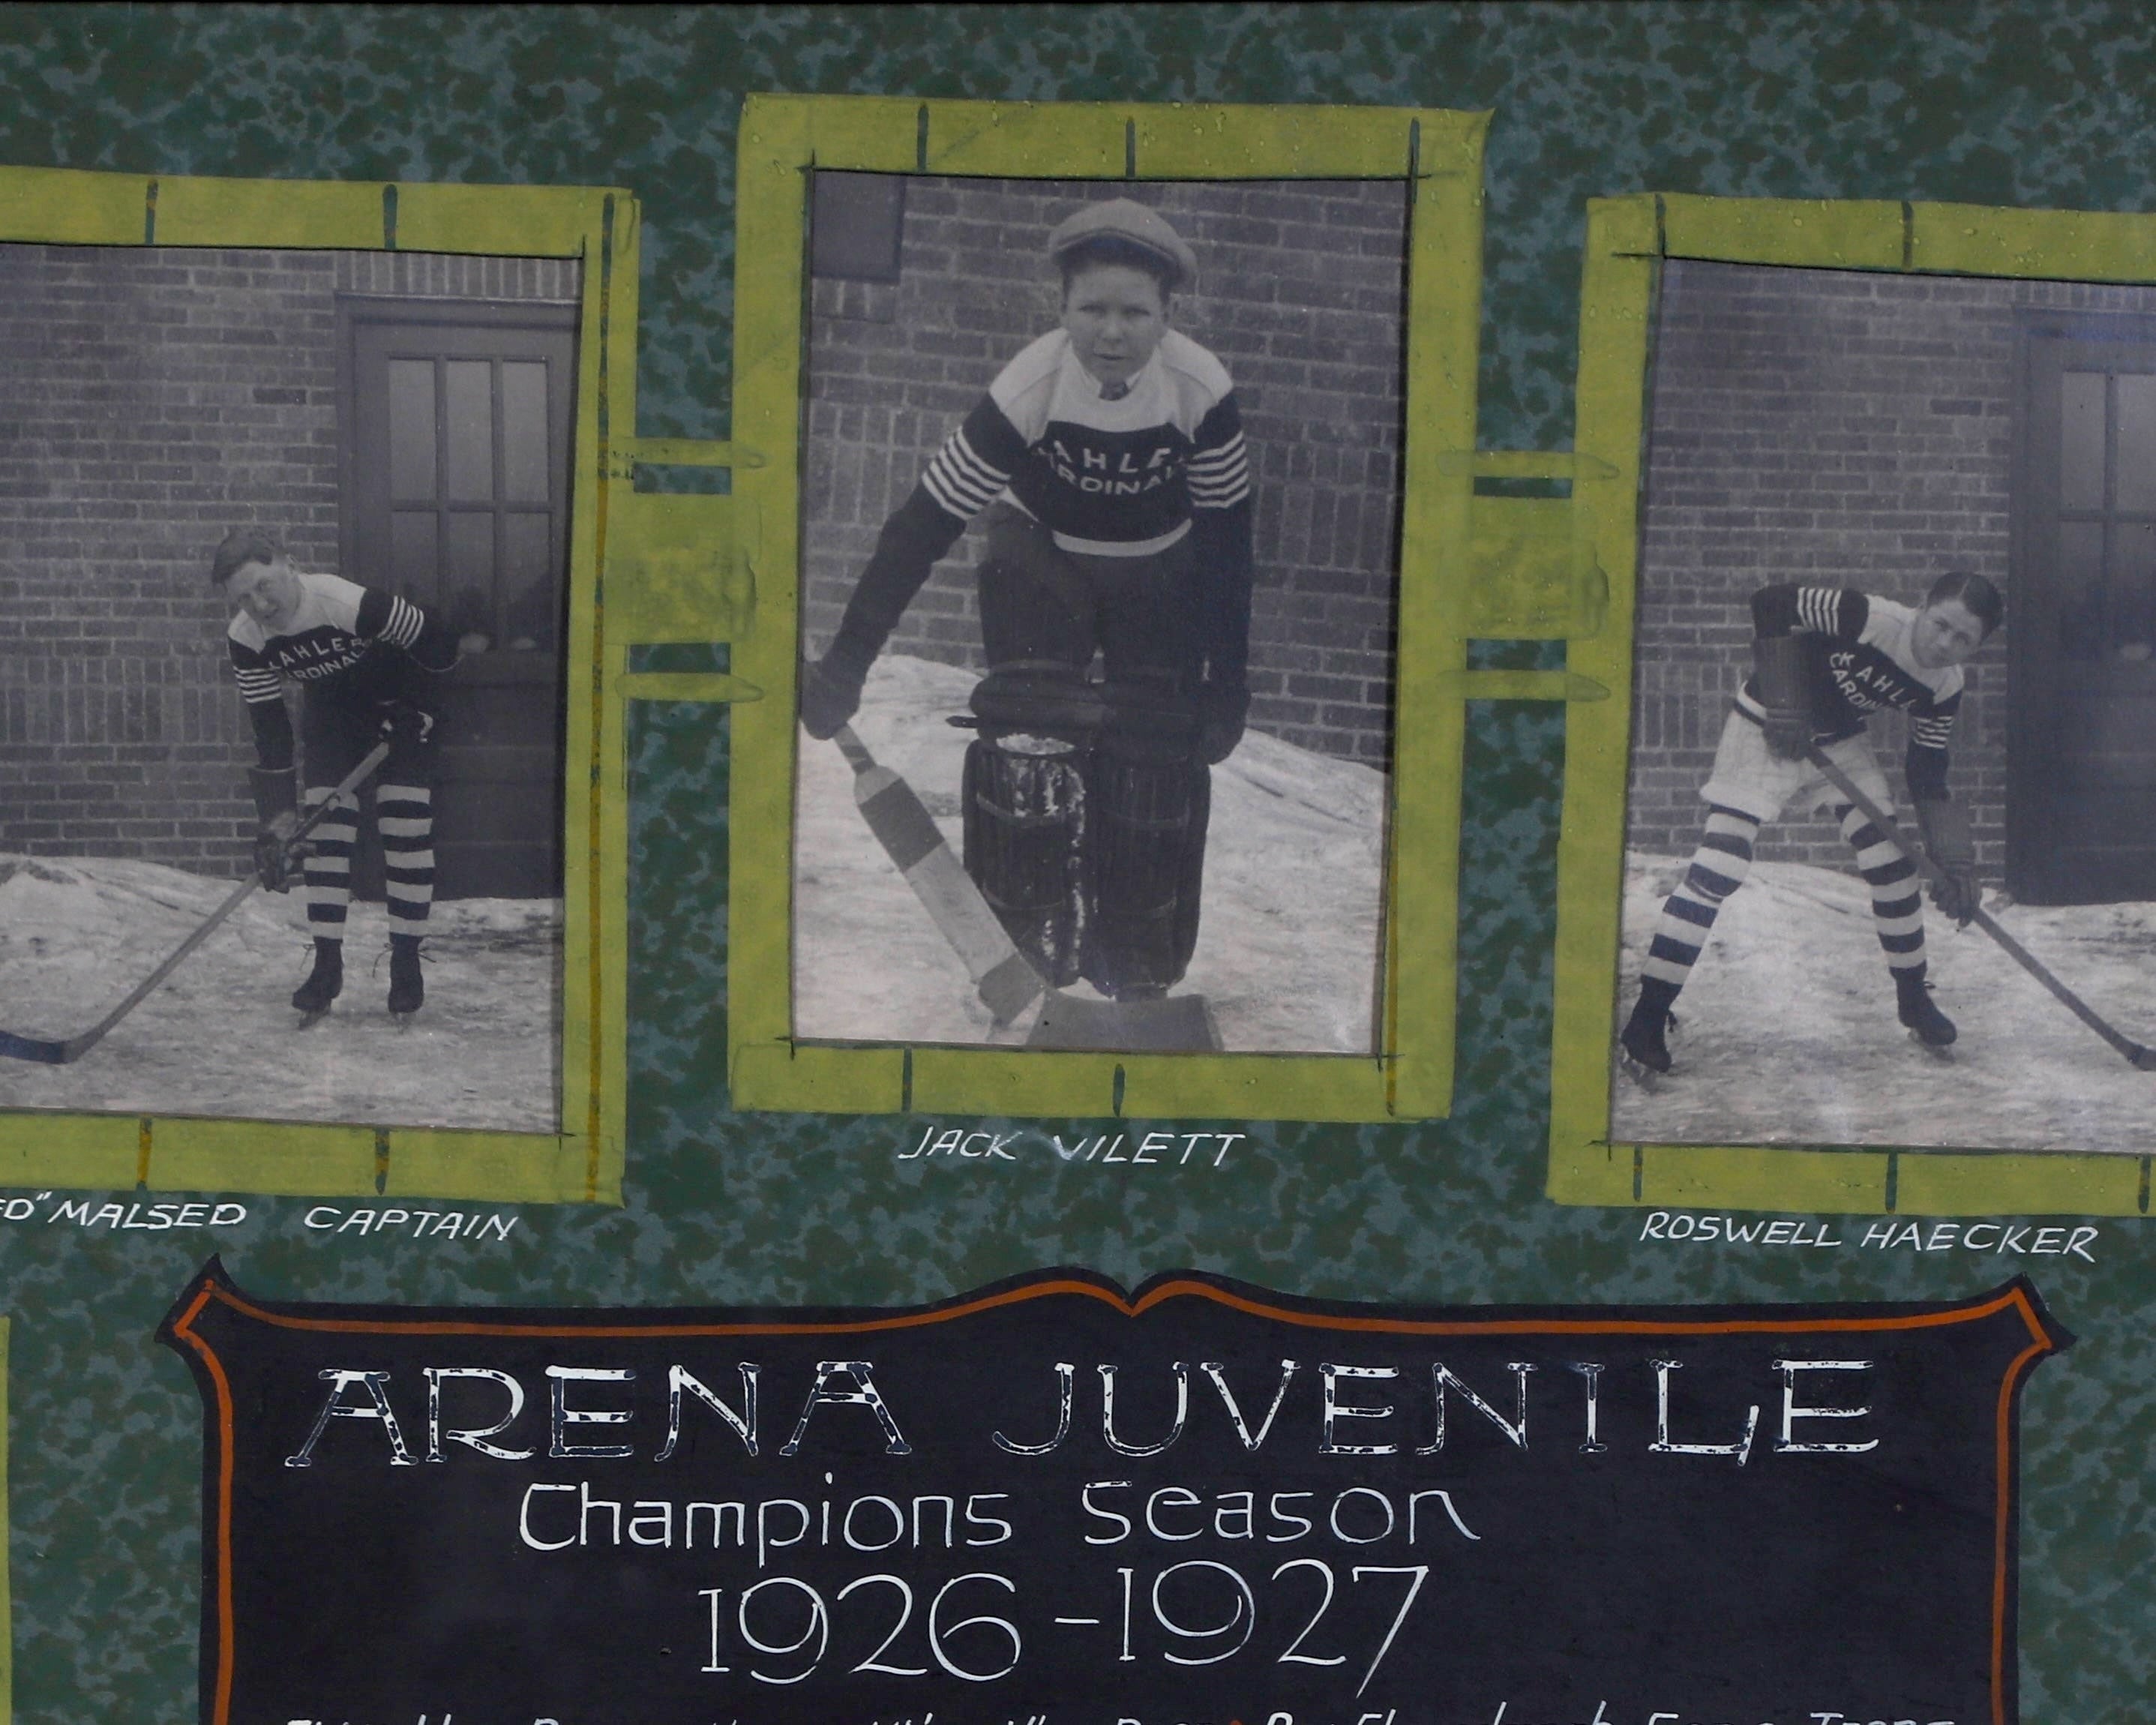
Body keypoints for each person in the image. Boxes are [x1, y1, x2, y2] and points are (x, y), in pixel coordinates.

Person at [799, 197, 1255, 1001]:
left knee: (1153, 761)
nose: (1111, 332)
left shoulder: (1201, 392)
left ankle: (1137, 966)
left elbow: (1226, 544)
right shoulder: (1028, 389)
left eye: (1134, 312)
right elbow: (920, 527)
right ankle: (1025, 949)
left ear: (1168, 316)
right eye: (1092, 309)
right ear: (1062, 308)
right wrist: (846, 664)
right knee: (1027, 743)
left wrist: (1228, 679)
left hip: (1158, 573)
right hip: (1043, 563)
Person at [1621, 571, 2005, 1075]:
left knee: (1892, 869)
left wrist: (1953, 860)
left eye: (1963, 640)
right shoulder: (1868, 617)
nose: (1944, 644)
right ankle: (1648, 1016)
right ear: (1922, 608)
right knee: (1719, 866)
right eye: (1940, 625)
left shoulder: (1944, 686)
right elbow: (1771, 602)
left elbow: (1926, 770)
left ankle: (1913, 998)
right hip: (1766, 724)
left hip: (1838, 740)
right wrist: (1784, 700)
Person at [211, 530, 459, 1018]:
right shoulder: (245, 639)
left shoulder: (346, 603)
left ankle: (406, 963)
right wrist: (278, 820)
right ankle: (327, 965)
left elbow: (439, 644)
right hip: (332, 719)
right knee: (323, 836)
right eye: (242, 597)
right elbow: (271, 730)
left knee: (404, 824)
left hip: (398, 708)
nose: (259, 605)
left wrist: (420, 711)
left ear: (289, 564)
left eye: (264, 586)